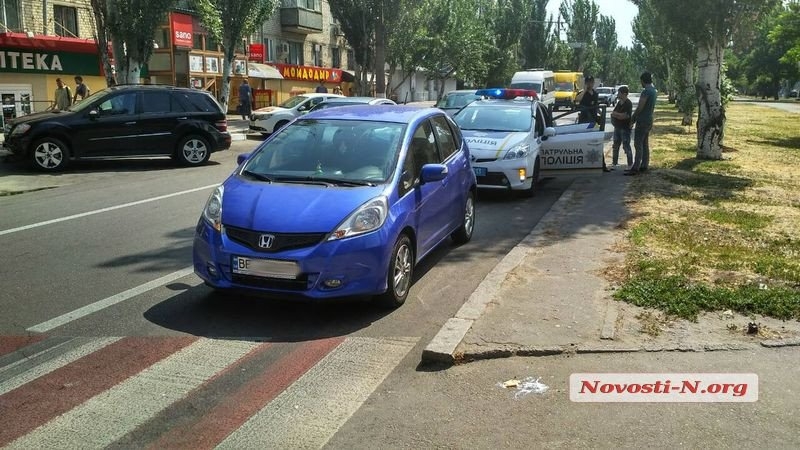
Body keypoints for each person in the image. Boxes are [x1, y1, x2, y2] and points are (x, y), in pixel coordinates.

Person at [627, 72, 658, 176]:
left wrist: (633, 118)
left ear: (643, 81)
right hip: (649, 119)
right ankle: (644, 165)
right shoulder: (654, 91)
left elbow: (640, 107)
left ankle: (635, 167)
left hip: (642, 120)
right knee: (645, 144)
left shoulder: (646, 92)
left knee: (638, 144)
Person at [610, 85, 633, 169]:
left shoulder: (628, 103)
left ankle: (630, 164)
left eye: (619, 92)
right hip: (617, 127)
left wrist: (618, 115)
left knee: (626, 146)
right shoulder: (619, 103)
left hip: (625, 128)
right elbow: (613, 113)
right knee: (615, 146)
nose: (618, 94)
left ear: (624, 94)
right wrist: (618, 115)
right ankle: (614, 163)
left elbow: (625, 116)